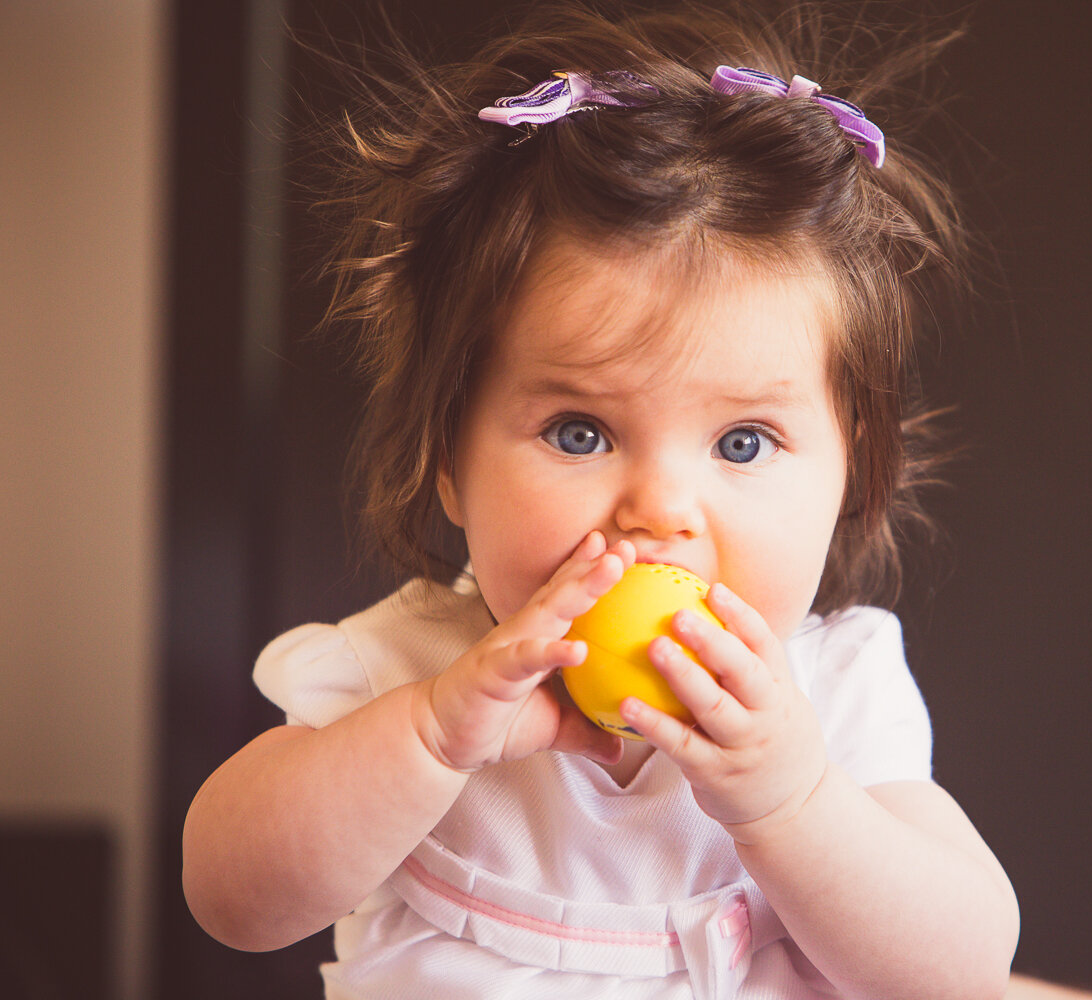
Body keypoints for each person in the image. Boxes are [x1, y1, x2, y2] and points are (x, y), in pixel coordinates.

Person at [182, 2, 1019, 997]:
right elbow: (232, 898)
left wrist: (793, 800)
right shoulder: (413, 676)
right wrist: (430, 737)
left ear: (851, 472)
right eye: (580, 433)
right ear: (450, 459)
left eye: (743, 443)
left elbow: (963, 971)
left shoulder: (834, 699)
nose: (660, 508)